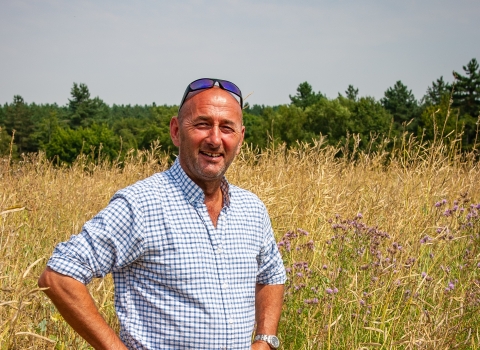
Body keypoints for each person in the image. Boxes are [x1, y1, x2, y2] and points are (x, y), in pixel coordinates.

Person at [38, 78, 286, 350]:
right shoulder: (141, 204)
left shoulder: (252, 209)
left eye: (227, 127)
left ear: (240, 138)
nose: (215, 139)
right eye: (202, 124)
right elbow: (59, 276)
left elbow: (271, 274)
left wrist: (265, 340)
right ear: (176, 131)